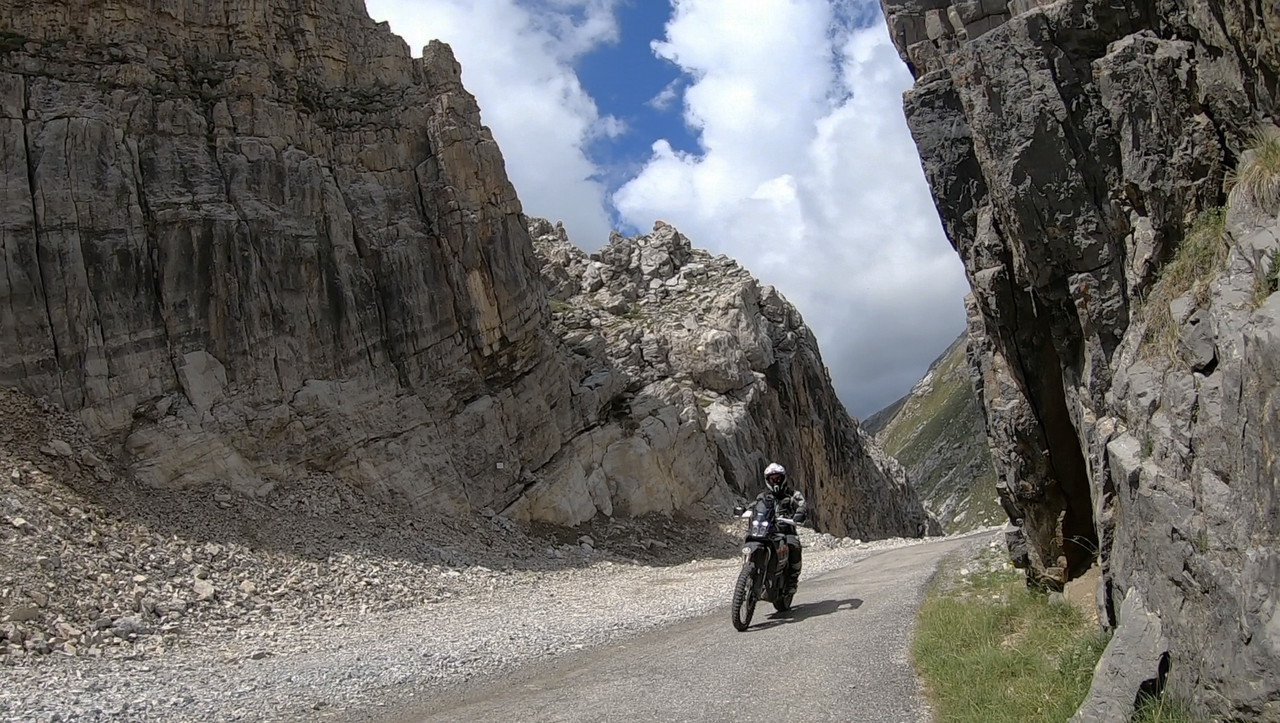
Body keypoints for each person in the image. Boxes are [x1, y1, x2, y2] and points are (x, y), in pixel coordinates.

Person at [756, 462, 807, 594]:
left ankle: (792, 580)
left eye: (778, 478)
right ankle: (751, 573)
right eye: (772, 479)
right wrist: (745, 510)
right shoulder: (763, 497)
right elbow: (754, 506)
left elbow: (802, 505)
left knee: (794, 546)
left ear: (783, 478)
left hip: (787, 531)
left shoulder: (793, 495)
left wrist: (800, 513)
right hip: (767, 532)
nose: (775, 481)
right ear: (767, 480)